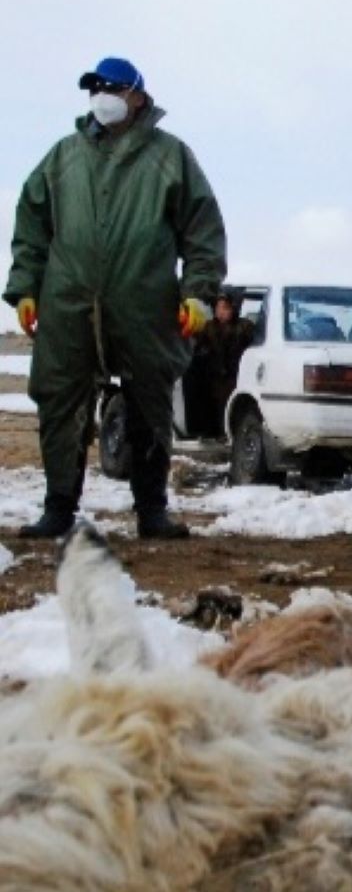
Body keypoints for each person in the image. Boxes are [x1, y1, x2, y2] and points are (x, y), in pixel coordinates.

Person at [4, 57, 226, 539]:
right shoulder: (64, 157)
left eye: (112, 88)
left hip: (145, 303)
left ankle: (151, 510)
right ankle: (58, 507)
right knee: (60, 401)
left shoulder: (170, 157)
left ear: (139, 98)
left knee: (149, 403)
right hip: (68, 304)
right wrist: (25, 287)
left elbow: (203, 231)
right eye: (95, 88)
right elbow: (31, 225)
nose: (101, 96)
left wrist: (199, 294)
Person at [194, 287, 256, 439]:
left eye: (225, 308)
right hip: (214, 376)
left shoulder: (244, 327)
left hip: (236, 375)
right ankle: (212, 432)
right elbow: (199, 348)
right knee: (211, 404)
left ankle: (228, 433)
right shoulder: (209, 328)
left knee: (230, 404)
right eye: (218, 307)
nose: (221, 312)